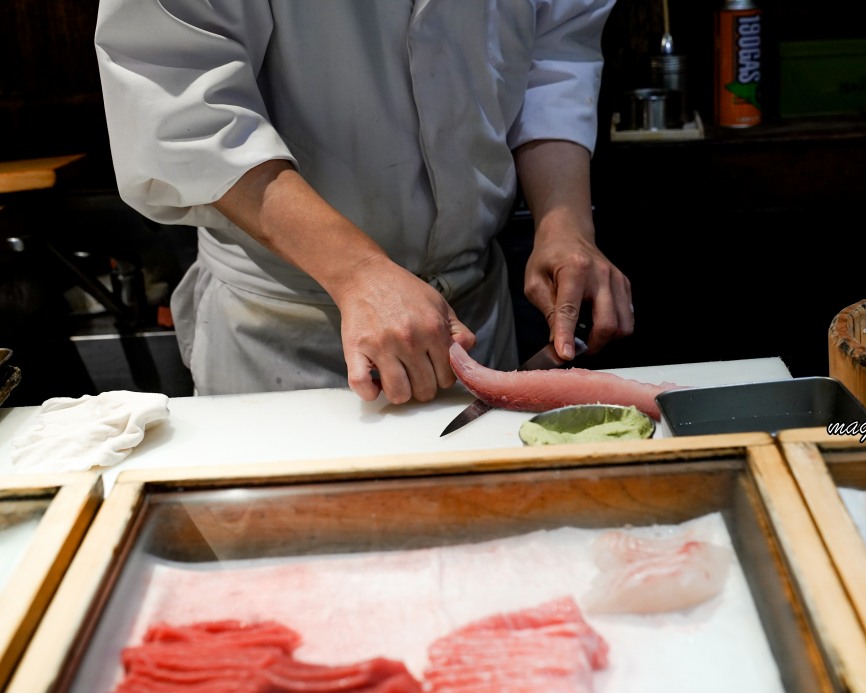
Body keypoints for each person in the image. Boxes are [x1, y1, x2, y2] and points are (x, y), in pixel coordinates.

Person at [94, 1, 634, 405]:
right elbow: (175, 99)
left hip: (473, 315)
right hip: (284, 330)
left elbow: (555, 51)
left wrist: (565, 223)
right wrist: (356, 272)